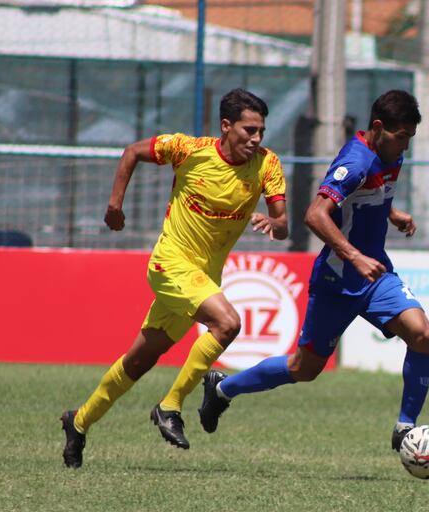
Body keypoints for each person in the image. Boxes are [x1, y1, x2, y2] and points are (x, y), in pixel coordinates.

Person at [60, 88, 288, 468]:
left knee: (139, 361)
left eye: (261, 131)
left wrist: (275, 223)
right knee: (228, 323)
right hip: (171, 263)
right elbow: (132, 151)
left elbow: (282, 224)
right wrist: (115, 205)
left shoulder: (267, 165)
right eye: (249, 130)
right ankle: (170, 406)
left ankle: (78, 422)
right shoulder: (189, 150)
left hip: (202, 278)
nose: (256, 138)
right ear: (226, 126)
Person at [197, 90, 429, 452]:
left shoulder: (390, 154)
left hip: (375, 275)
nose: (404, 147)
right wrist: (354, 256)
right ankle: (221, 388)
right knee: (303, 368)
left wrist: (391, 213)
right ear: (377, 127)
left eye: (409, 140)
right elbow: (314, 215)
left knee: (422, 335)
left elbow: (365, 196)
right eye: (401, 137)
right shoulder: (354, 162)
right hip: (338, 279)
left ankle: (405, 429)